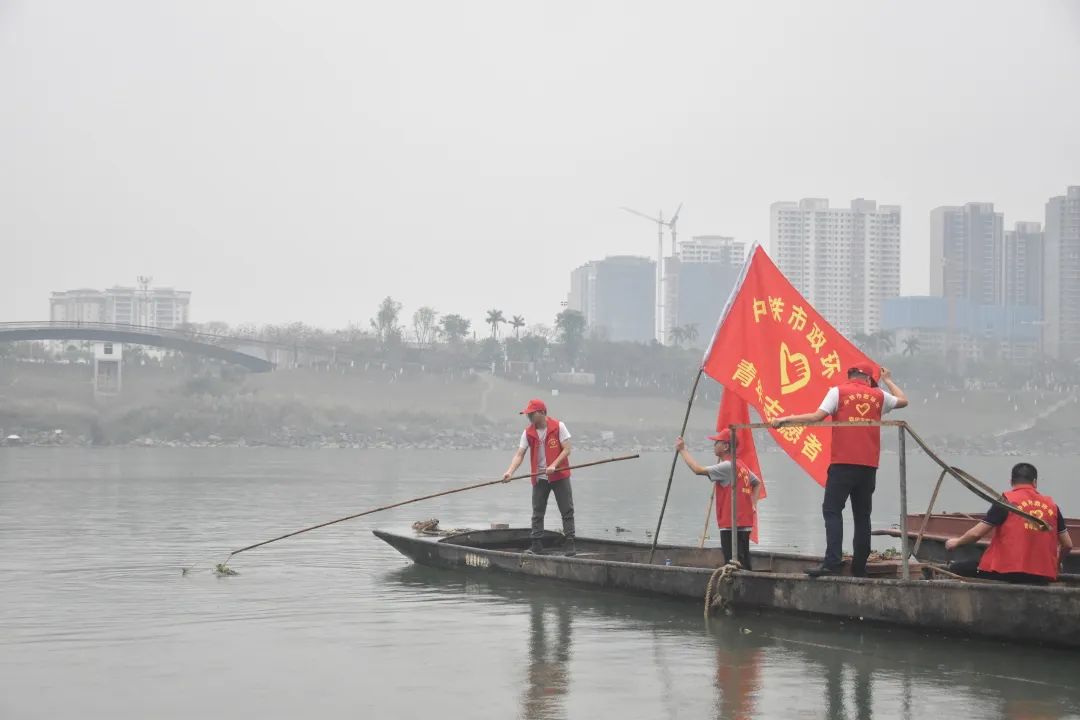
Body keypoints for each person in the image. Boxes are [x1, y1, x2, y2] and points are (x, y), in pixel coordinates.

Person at [772, 363, 908, 577]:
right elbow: (903, 400)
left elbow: (816, 417)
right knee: (862, 516)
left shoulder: (838, 392)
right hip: (868, 466)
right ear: (868, 379)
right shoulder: (879, 395)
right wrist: (888, 380)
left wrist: (785, 420)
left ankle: (832, 562)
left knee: (832, 510)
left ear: (850, 376)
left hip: (843, 463)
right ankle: (859, 567)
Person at [944, 463, 1072, 585]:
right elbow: (1067, 545)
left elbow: (976, 534)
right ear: (1035, 482)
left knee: (958, 568)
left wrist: (956, 542)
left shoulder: (1006, 502)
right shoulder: (1052, 506)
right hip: (1041, 576)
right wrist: (1056, 563)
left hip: (1006, 573)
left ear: (1011, 482)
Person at [675, 430, 761, 569]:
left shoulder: (728, 466)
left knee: (733, 564)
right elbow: (757, 483)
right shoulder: (741, 465)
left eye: (717, 442)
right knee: (743, 560)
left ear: (726, 446)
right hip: (744, 522)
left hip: (731, 525)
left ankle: (739, 582)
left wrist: (682, 450)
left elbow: (697, 470)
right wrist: (753, 505)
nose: (714, 445)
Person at [503, 399, 575, 556]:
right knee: (537, 512)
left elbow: (567, 449)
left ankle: (570, 543)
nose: (528, 417)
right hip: (539, 477)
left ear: (542, 412)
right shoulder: (528, 432)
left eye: (531, 414)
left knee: (566, 510)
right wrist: (510, 472)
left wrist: (554, 465)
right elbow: (520, 454)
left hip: (560, 475)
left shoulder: (558, 426)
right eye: (527, 414)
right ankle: (536, 544)